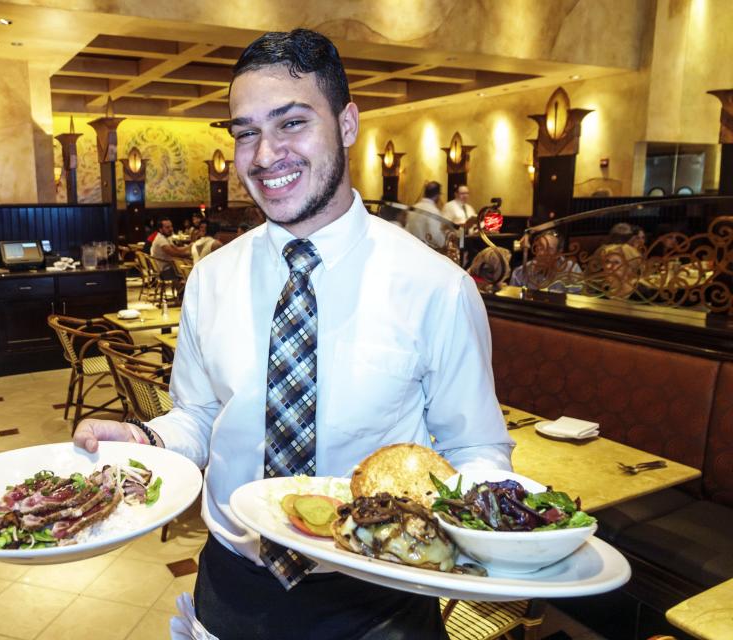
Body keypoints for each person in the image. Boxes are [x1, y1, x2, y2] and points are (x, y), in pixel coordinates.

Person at [74, 29, 511, 640]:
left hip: (378, 596)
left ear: (348, 123)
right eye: (246, 131)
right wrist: (143, 437)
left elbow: (475, 451)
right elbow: (200, 417)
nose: (263, 155)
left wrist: (496, 538)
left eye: (291, 123)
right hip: (232, 586)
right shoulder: (211, 278)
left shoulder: (436, 287)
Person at [510, 230, 583, 293]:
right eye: (540, 247)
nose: (541, 253)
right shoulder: (521, 272)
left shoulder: (571, 270)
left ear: (559, 253)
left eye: (549, 249)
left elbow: (579, 299)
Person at [405, 181, 451, 250]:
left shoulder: (413, 208)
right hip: (427, 251)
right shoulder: (433, 211)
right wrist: (445, 244)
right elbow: (435, 235)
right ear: (437, 195)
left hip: (411, 248)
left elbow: (407, 228)